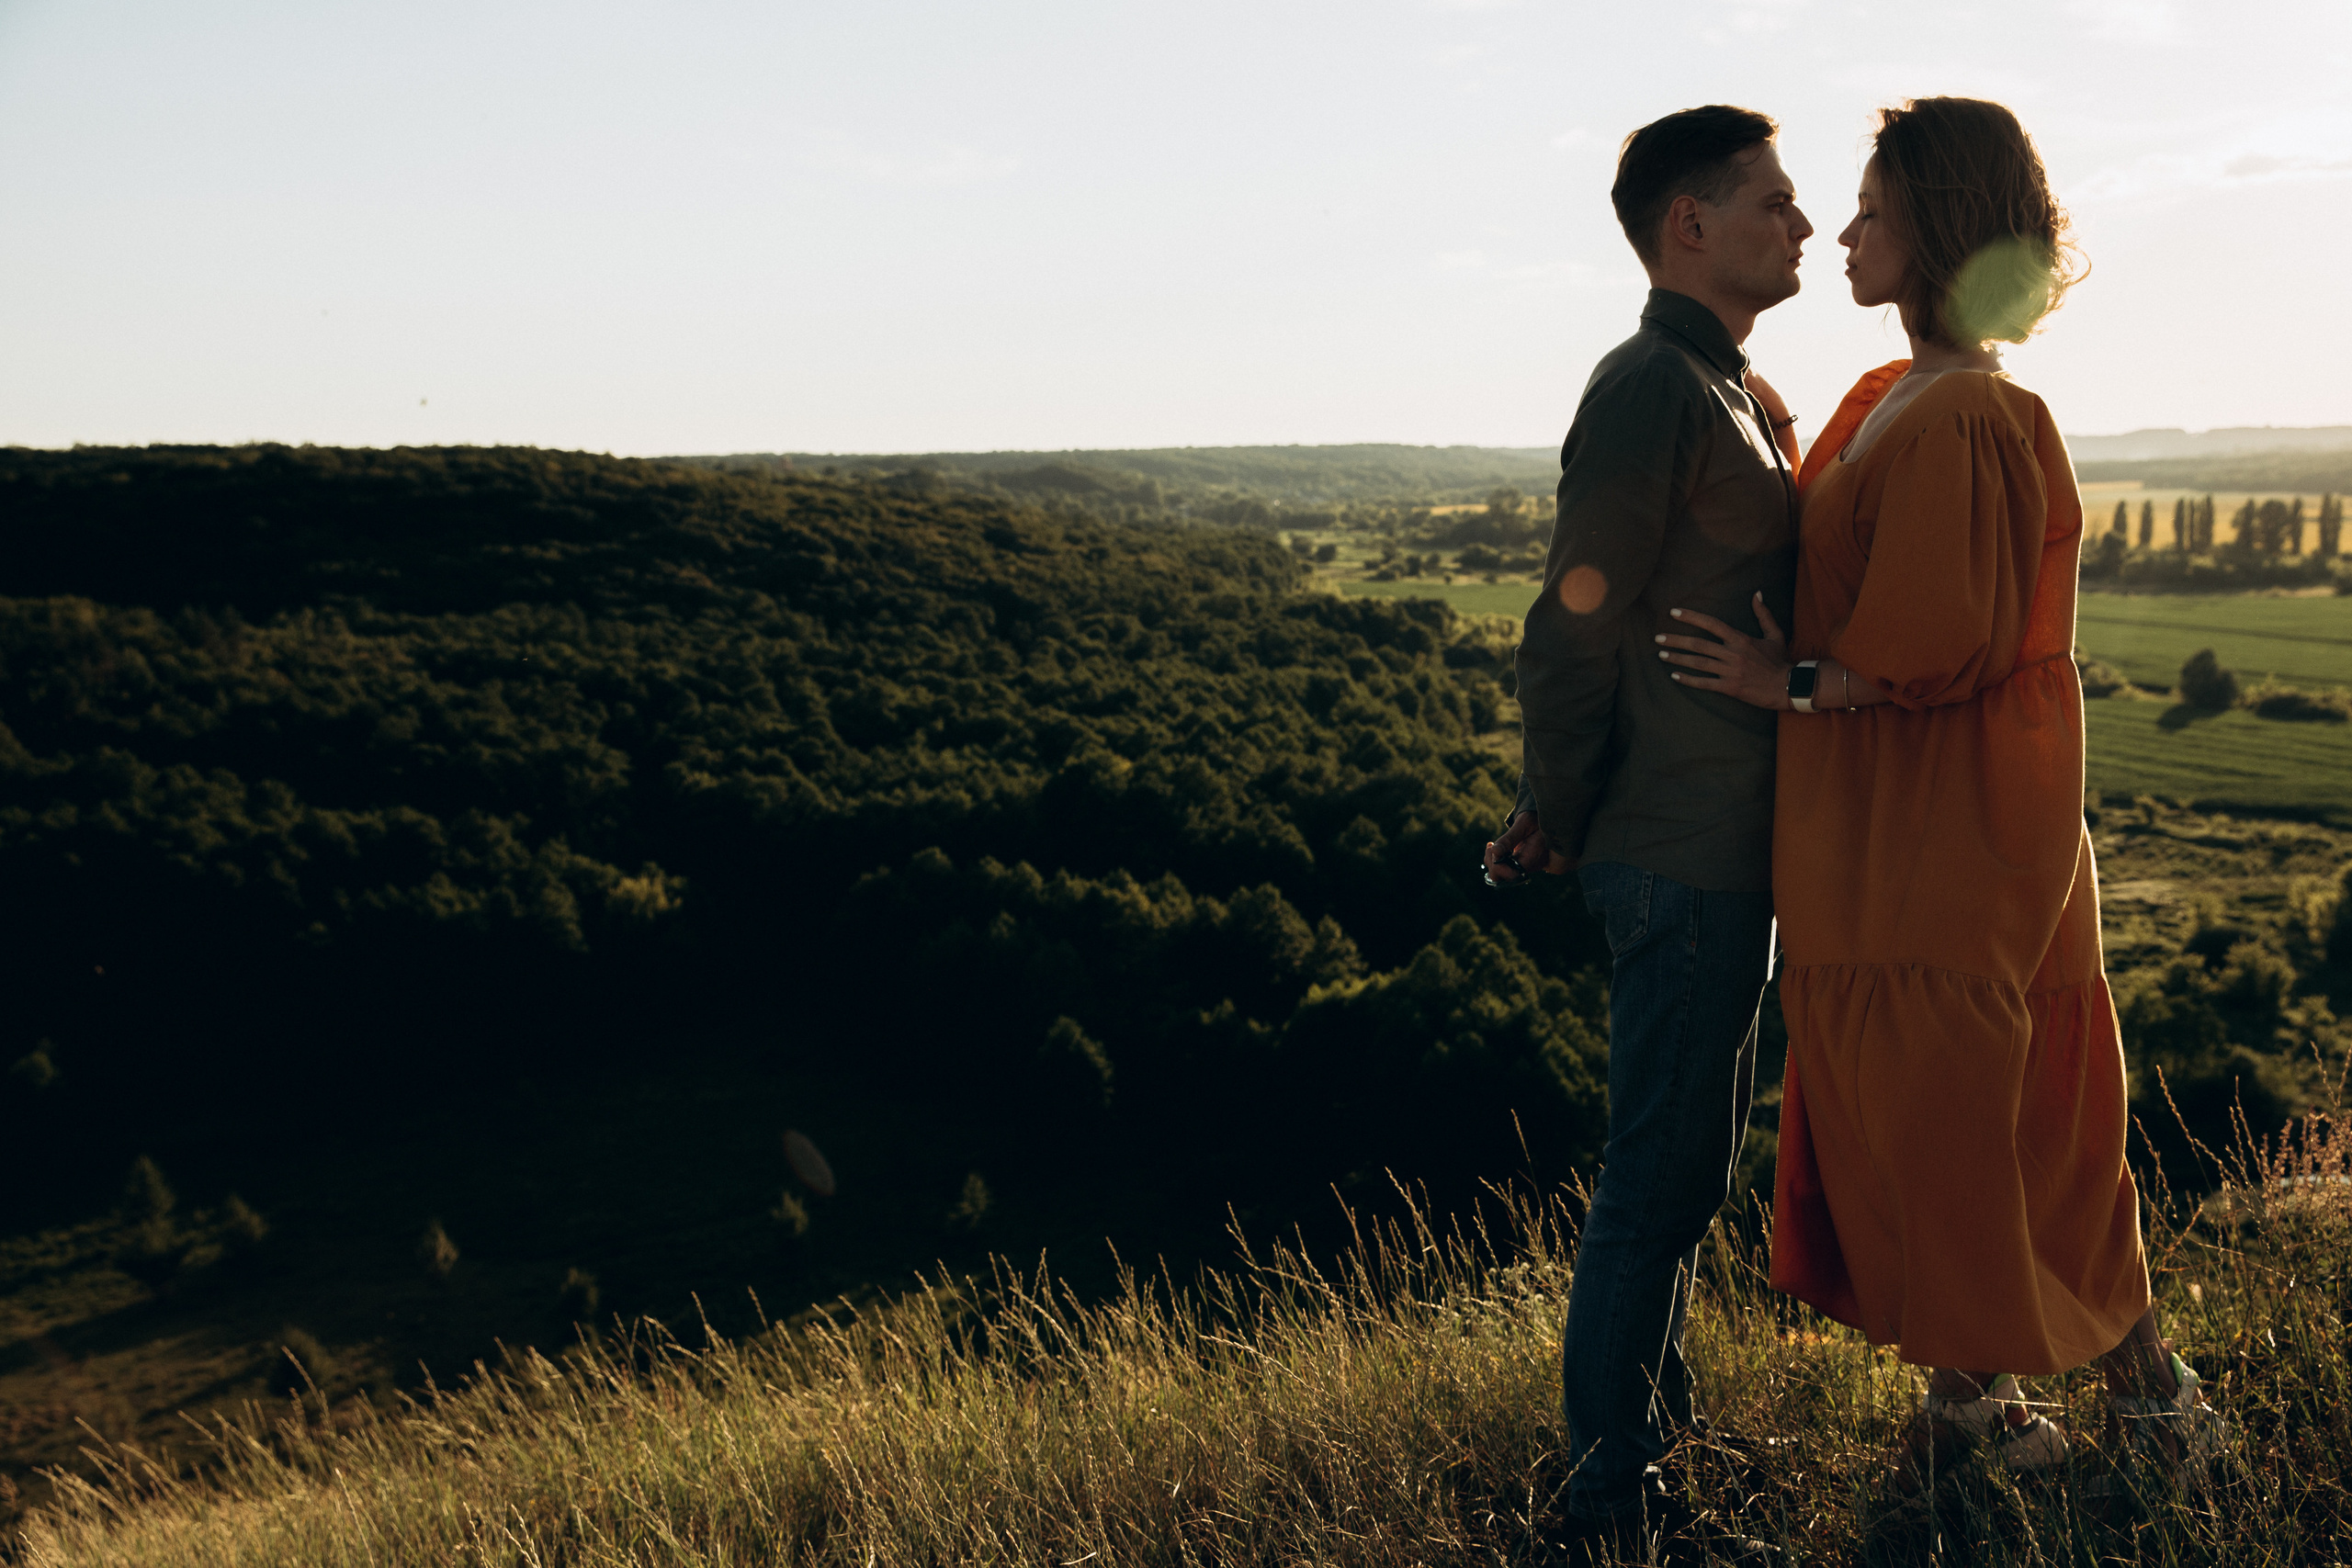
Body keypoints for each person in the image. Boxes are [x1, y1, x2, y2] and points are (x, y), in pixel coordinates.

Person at [1652, 96, 2229, 1490]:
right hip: (1884, 839)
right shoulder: (1884, 395)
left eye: (1869, 207)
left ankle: (2157, 1414)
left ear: (1935, 224)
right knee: (1944, 1123)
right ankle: (1972, 1416)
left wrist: (1773, 683)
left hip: (1955, 837)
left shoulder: (1974, 409)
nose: (1842, 230)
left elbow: (1932, 645)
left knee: (1999, 1124)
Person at [1483, 103, 1808, 1562]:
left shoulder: (1727, 388)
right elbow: (1574, 624)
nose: (1800, 227)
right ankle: (1613, 1510)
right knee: (1654, 1183)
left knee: (1681, 1177)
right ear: (1692, 225)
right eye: (1773, 204)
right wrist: (1557, 808)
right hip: (1675, 852)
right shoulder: (1651, 387)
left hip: (1724, 846)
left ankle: (1651, 1460)